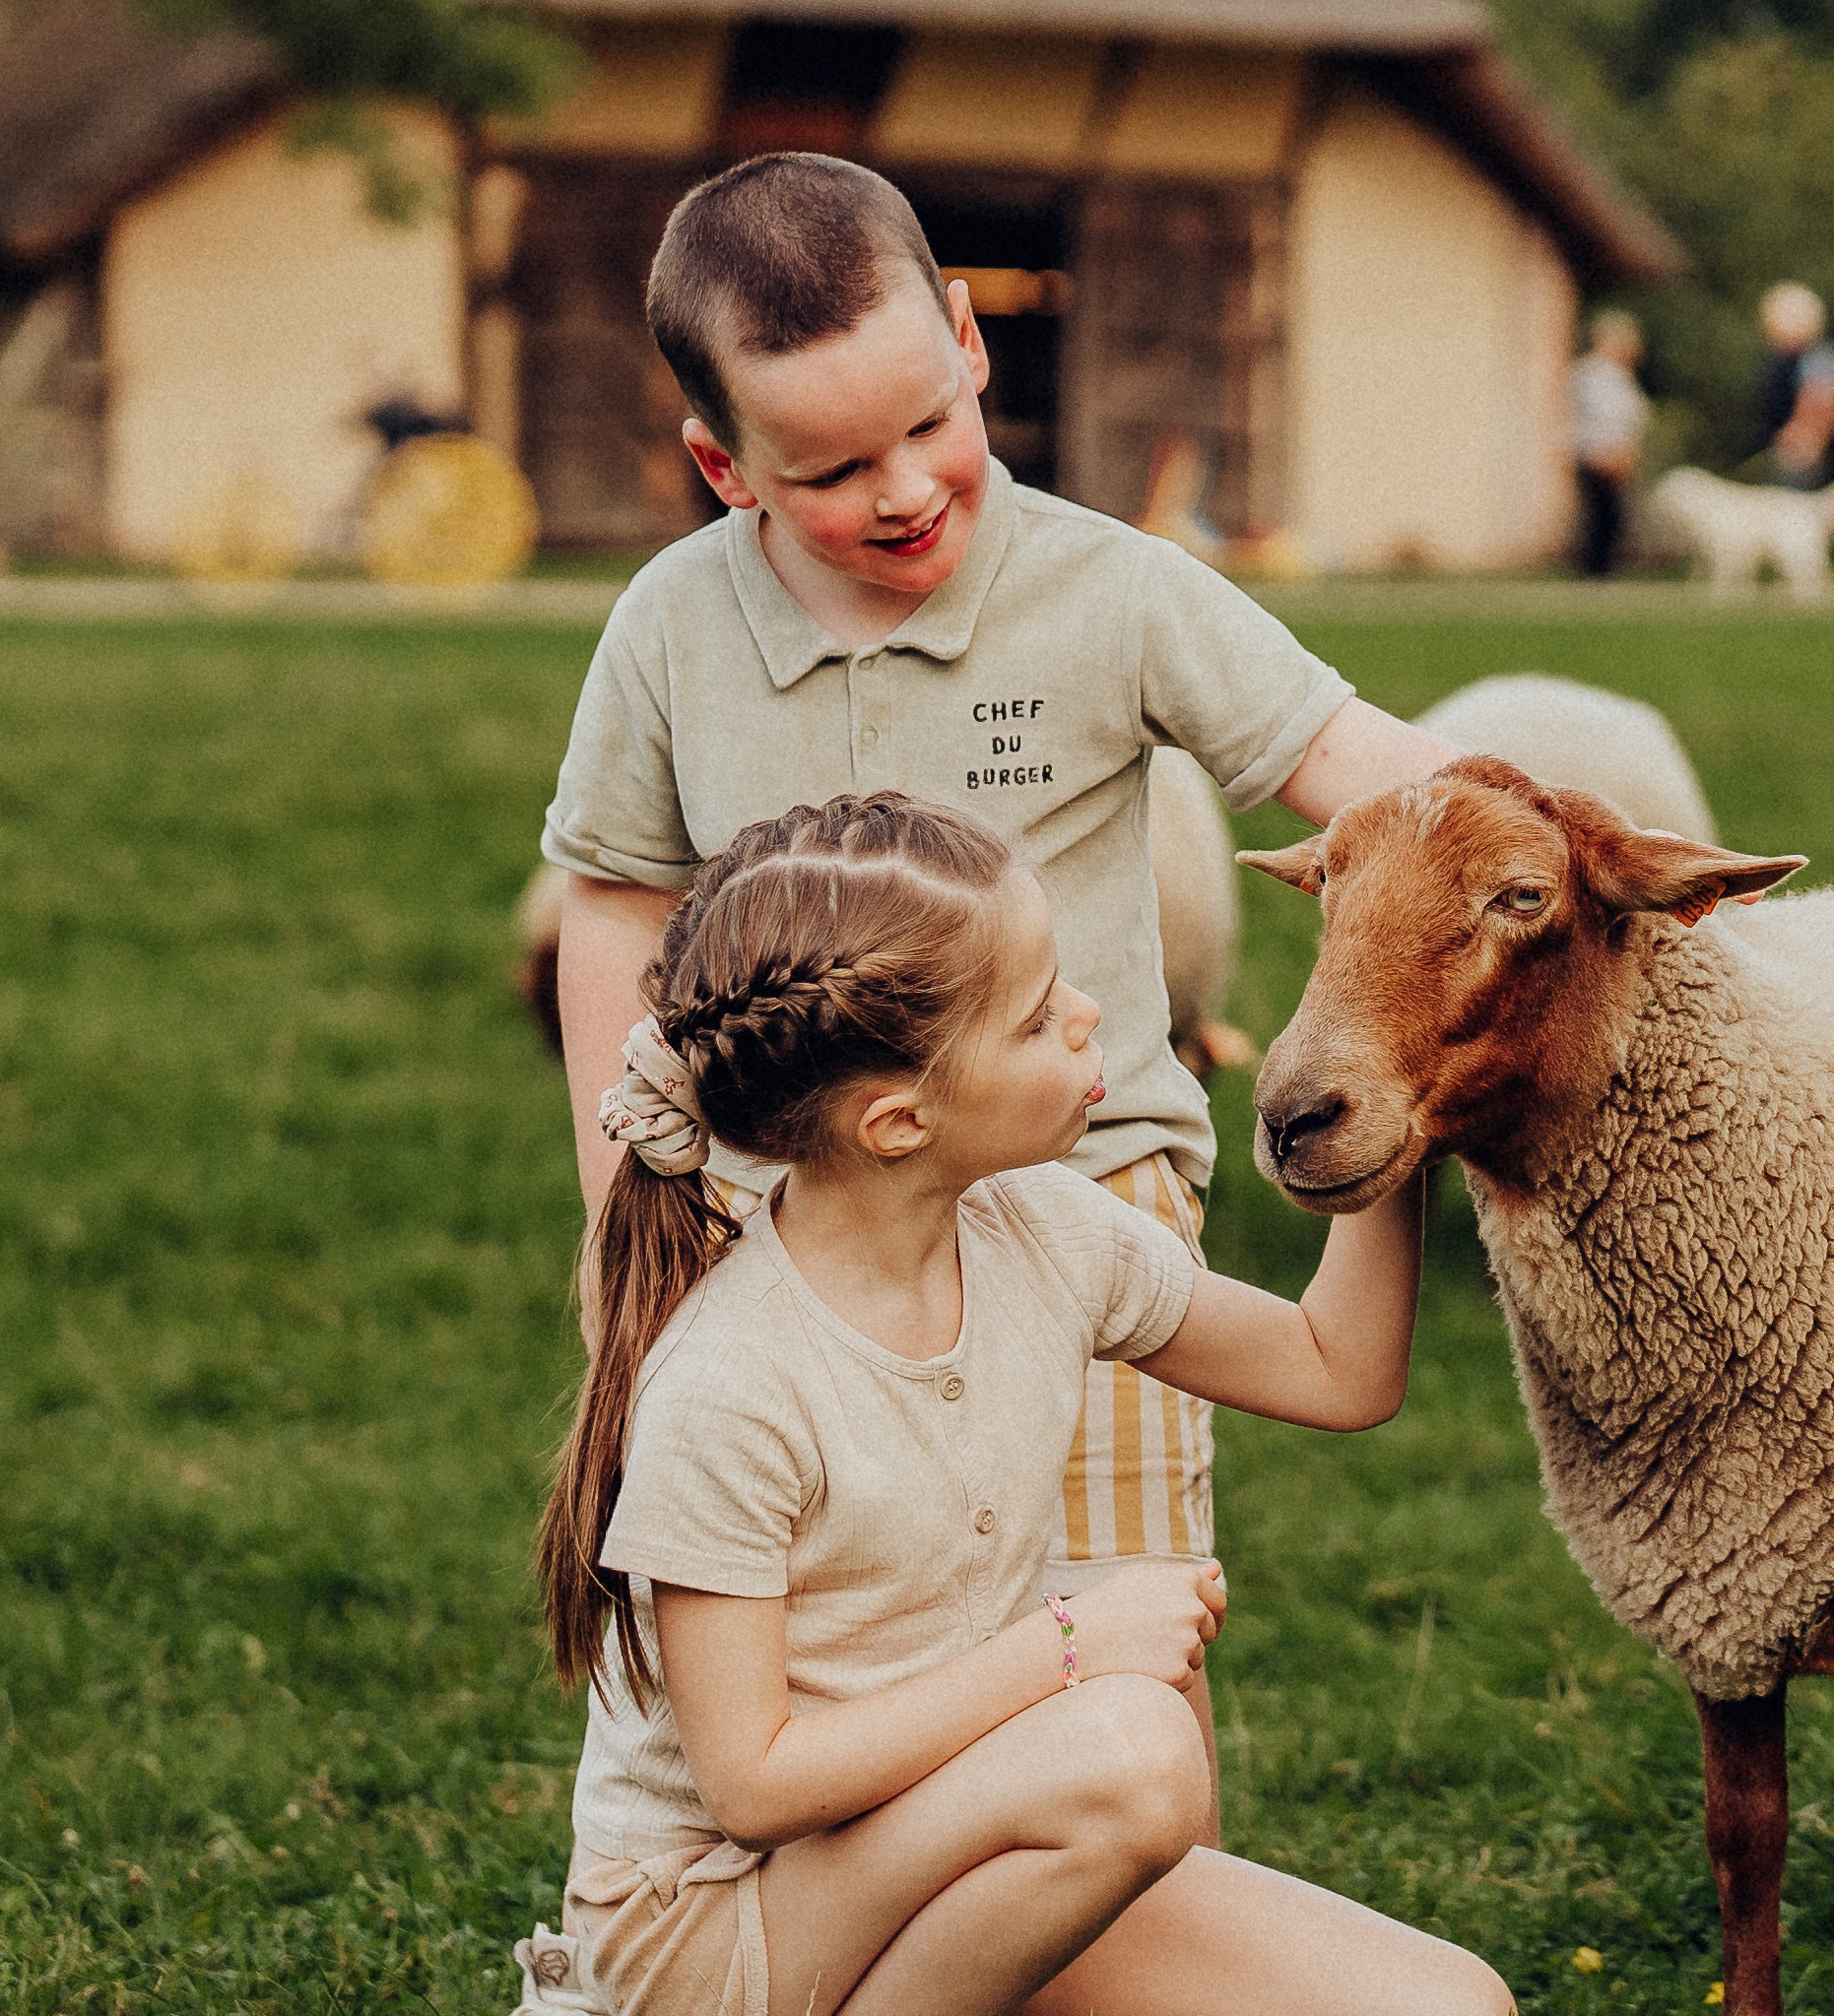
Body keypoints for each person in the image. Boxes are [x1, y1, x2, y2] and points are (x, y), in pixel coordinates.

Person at [515, 796, 1516, 2016]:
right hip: (725, 1935)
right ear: (900, 1120)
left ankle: (952, 1989)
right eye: (1040, 1017)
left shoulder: (1040, 1232)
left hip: (952, 1838)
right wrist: (1068, 1648)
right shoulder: (731, 1384)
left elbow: (1336, 1367)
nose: (1089, 1019)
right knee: (1136, 1750)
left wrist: (1394, 1080)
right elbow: (754, 1782)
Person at [539, 154, 1452, 1584]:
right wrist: (625, 1202)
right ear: (725, 469)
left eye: (928, 423)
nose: (904, 489)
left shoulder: (1113, 588)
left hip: (1087, 1193)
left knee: (1124, 1631)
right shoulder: (669, 627)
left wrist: (1558, 837)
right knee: (846, 1625)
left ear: (968, 342)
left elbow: (1355, 760)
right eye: (833, 471)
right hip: (783, 1224)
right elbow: (613, 903)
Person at [1563, 308, 1646, 583]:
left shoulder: (1620, 376)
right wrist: (1609, 452)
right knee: (1601, 515)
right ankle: (1594, 573)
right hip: (1598, 454)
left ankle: (1604, 571)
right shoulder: (1590, 375)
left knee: (1612, 517)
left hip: (1616, 454)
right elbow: (1599, 419)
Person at [1752, 283, 1834, 488]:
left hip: (1797, 458)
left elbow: (1825, 403)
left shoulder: (1820, 358)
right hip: (1781, 453)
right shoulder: (1787, 360)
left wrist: (1804, 438)